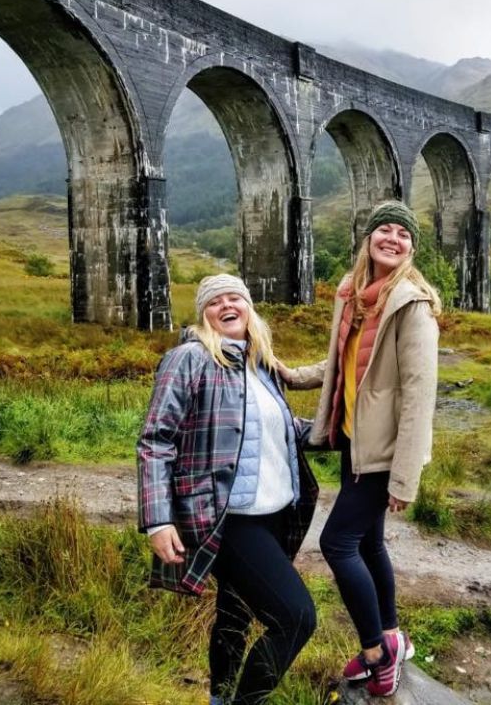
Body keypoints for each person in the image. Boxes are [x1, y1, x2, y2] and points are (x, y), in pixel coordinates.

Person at [282, 200, 440, 697]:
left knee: (337, 543)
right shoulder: (354, 296)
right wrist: (292, 375)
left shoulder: (411, 305)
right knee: (369, 543)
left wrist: (404, 477)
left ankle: (377, 652)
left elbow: (419, 396)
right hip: (354, 438)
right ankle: (393, 633)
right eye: (384, 230)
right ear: (369, 238)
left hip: (386, 450)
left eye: (403, 234)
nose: (393, 238)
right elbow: (342, 364)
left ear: (412, 247)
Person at [137, 274, 318, 705]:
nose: (226, 305)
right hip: (227, 518)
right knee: (295, 618)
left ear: (249, 307)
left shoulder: (260, 366)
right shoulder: (189, 358)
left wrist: (345, 433)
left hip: (274, 513)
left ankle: (219, 698)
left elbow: (286, 431)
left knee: (233, 615)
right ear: (204, 315)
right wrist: (158, 520)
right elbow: (156, 440)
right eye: (214, 301)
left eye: (234, 296)